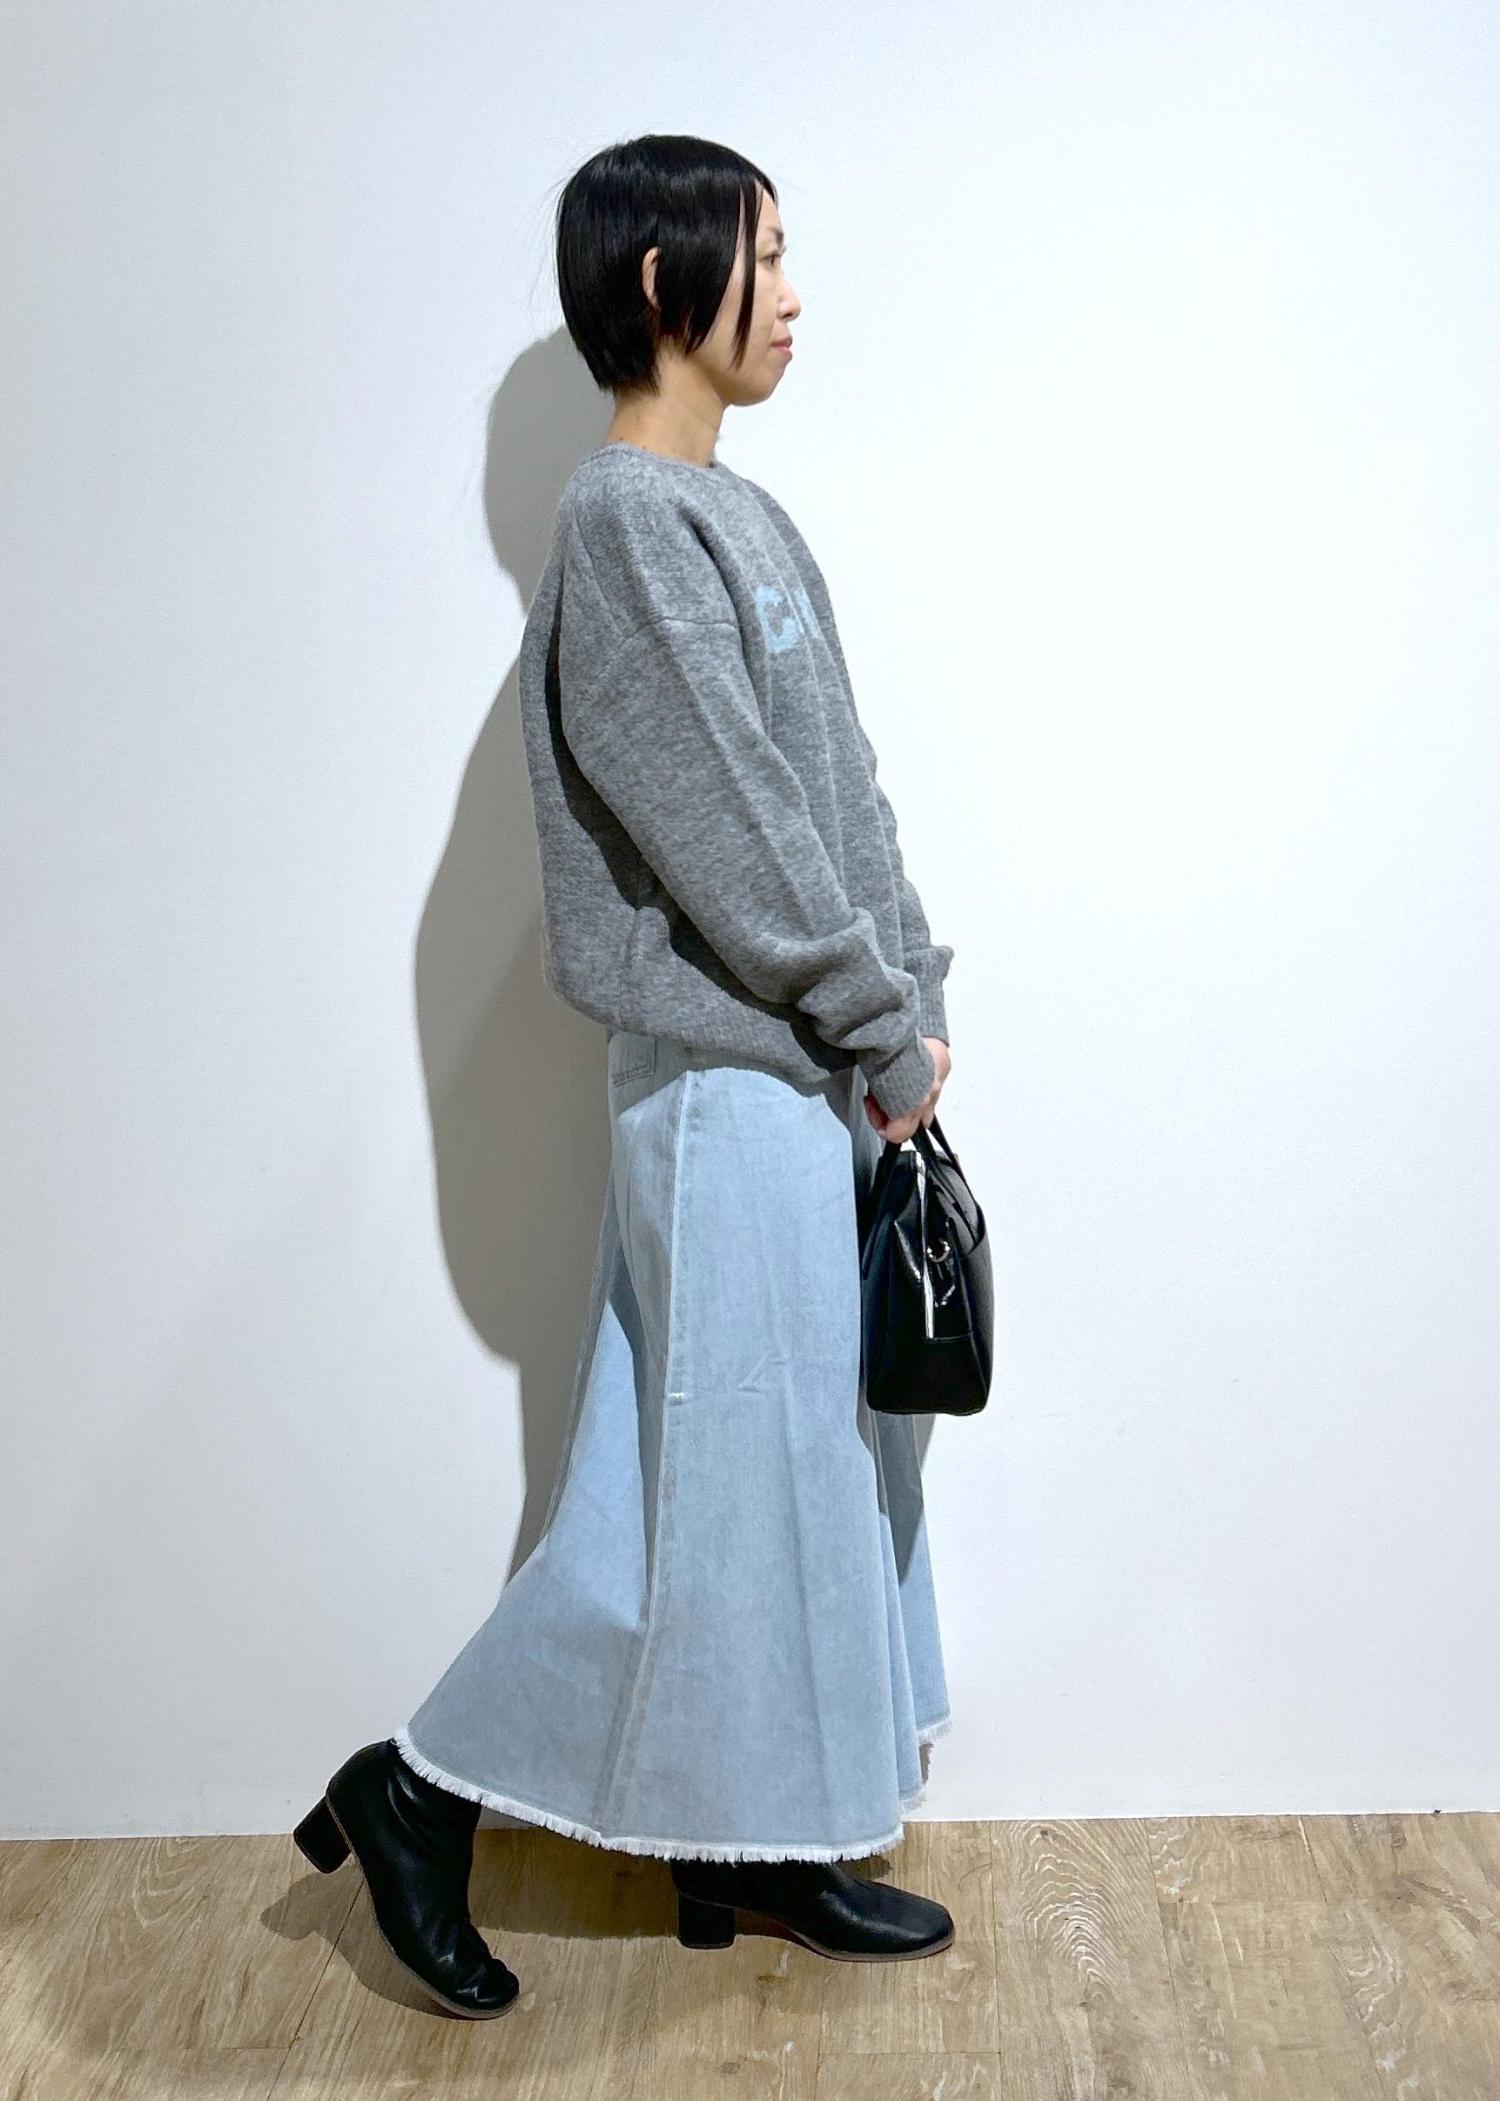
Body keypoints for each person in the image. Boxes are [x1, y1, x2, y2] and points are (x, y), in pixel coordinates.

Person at [293, 133, 957, 2021]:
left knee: (780, 1490)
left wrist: (908, 989)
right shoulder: (626, 529)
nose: (797, 296)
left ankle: (744, 1849)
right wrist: (869, 1015)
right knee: (690, 1502)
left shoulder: (743, 520)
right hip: (730, 1090)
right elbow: (733, 838)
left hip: (807, 1078)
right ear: (669, 285)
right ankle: (418, 1794)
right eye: (768, 256)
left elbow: (839, 790)